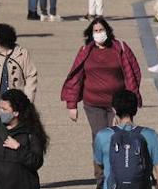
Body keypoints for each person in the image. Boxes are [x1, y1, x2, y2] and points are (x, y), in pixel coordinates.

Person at [61, 16, 143, 148]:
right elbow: (76, 77)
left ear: (107, 31)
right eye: (96, 31)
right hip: (93, 104)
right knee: (100, 137)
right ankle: (100, 168)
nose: (99, 33)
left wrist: (130, 101)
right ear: (91, 34)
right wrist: (72, 105)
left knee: (119, 138)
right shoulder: (85, 51)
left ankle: (118, 167)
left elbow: (133, 73)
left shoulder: (120, 48)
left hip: (117, 105)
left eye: (101, 30)